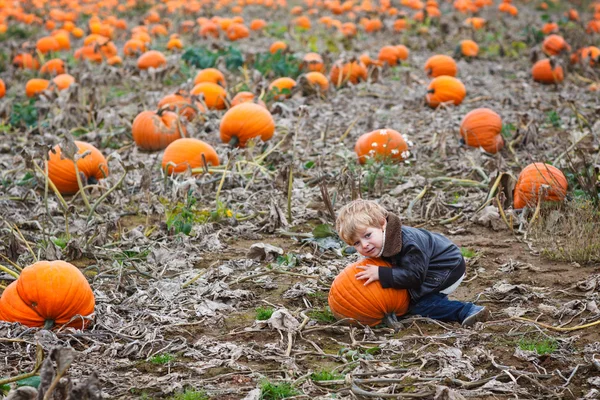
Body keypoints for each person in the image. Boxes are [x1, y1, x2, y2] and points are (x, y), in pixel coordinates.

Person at [335, 199, 489, 327]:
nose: (364, 245)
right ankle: (438, 300)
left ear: (382, 224)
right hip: (427, 267)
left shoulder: (409, 244)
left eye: (367, 235)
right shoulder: (383, 241)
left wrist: (382, 273)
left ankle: (466, 310)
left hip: (447, 268)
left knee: (419, 305)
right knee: (412, 298)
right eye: (356, 243)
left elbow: (414, 277)